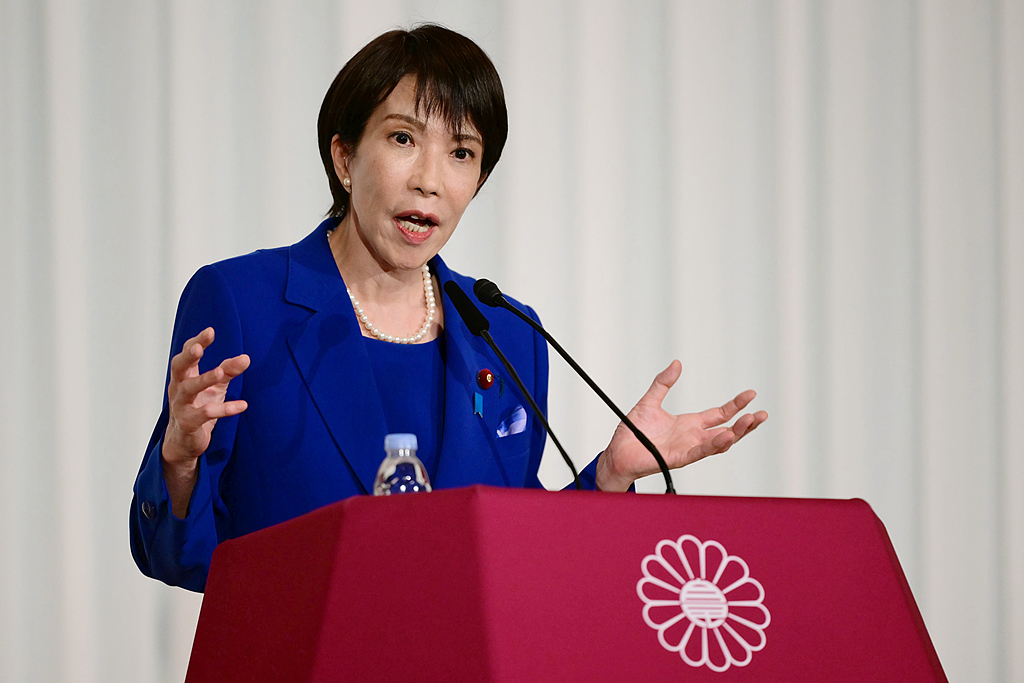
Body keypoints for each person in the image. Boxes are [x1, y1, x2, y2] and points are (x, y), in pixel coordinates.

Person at [130, 24, 767, 593]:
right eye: (403, 138)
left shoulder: (507, 334)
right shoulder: (243, 303)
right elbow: (180, 558)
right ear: (345, 157)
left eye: (461, 153)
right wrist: (179, 459)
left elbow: (518, 551)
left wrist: (610, 475)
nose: (430, 179)